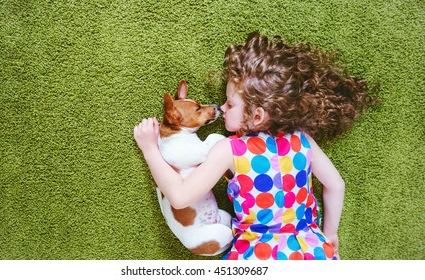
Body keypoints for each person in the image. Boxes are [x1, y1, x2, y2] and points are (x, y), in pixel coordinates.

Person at [134, 32, 378, 260]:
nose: (222, 107)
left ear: (257, 116)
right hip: (311, 250)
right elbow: (336, 184)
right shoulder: (303, 140)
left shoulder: (230, 150)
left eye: (230, 104)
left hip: (259, 254)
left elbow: (179, 197)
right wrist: (330, 233)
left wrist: (150, 149)